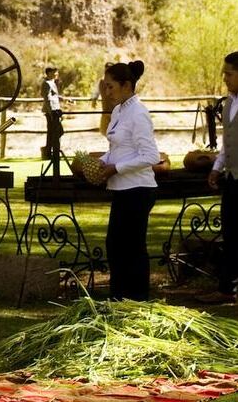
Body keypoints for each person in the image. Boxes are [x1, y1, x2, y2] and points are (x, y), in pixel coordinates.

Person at [98, 61, 160, 301]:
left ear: (126, 85)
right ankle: (119, 299)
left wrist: (117, 168)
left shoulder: (139, 112)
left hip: (139, 189)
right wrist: (103, 161)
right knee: (115, 245)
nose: (107, 92)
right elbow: (118, 148)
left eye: (111, 86)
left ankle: (137, 300)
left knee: (133, 247)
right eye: (105, 86)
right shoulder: (118, 110)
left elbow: (151, 156)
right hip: (122, 188)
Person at [200, 51, 238, 304]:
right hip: (233, 177)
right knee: (231, 233)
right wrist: (216, 168)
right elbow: (227, 143)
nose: (225, 77)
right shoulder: (228, 103)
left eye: (230, 73)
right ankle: (227, 289)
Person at [41, 67, 69, 160]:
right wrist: (51, 112)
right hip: (51, 112)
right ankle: (48, 152)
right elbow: (47, 98)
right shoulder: (46, 83)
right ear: (48, 73)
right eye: (54, 73)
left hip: (55, 111)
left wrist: (65, 99)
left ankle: (48, 151)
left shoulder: (52, 83)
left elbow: (55, 96)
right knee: (55, 132)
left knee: (55, 132)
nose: (56, 74)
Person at [91, 62, 116, 136]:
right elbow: (96, 92)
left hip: (116, 111)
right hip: (106, 111)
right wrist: (94, 99)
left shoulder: (117, 82)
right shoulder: (101, 82)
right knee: (107, 132)